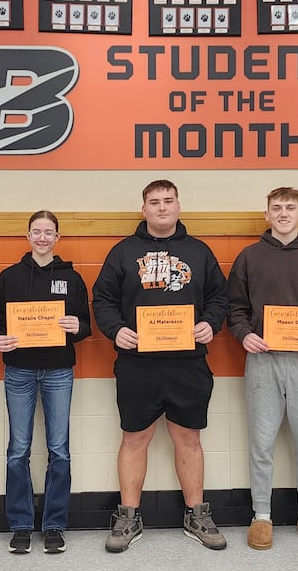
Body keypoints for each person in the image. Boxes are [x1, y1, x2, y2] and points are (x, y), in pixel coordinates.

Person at [92, 179, 228, 553]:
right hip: (137, 364)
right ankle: (128, 516)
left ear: (179, 206)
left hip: (188, 363)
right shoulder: (123, 252)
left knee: (189, 438)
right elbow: (102, 299)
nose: (162, 208)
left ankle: (196, 514)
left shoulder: (199, 252)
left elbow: (220, 297)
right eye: (154, 202)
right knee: (135, 438)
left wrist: (210, 323)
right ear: (144, 210)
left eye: (168, 201)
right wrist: (115, 330)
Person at [226, 187, 298, 551]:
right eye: (276, 208)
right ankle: (262, 515)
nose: (283, 213)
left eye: (290, 207)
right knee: (261, 442)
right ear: (267, 215)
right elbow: (236, 307)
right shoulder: (249, 257)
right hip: (263, 359)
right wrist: (244, 335)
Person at [0, 211, 91, 555]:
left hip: (59, 371)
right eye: (37, 232)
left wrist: (76, 328)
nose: (43, 237)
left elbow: (86, 326)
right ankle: (20, 524)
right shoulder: (9, 277)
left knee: (58, 450)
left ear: (58, 237)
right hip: (18, 371)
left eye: (49, 232)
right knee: (18, 450)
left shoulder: (72, 279)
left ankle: (54, 524)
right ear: (27, 236)